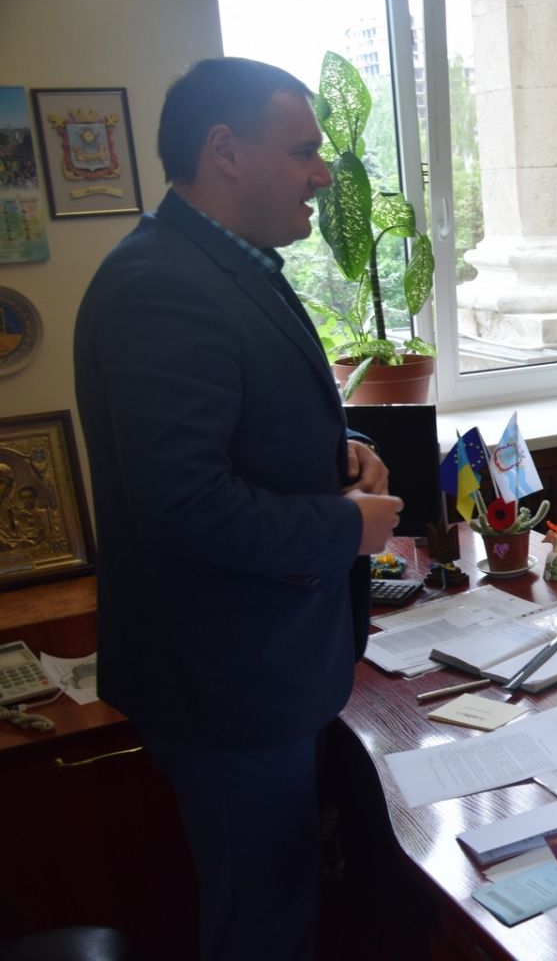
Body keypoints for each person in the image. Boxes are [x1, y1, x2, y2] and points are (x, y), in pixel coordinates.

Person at [73, 58, 403, 961]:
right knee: (263, 920)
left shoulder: (227, 263)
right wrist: (349, 526)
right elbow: (183, 502)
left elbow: (237, 420)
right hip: (225, 682)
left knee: (288, 896)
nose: (324, 174)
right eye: (303, 151)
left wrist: (338, 450)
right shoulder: (160, 284)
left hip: (266, 667)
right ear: (224, 150)